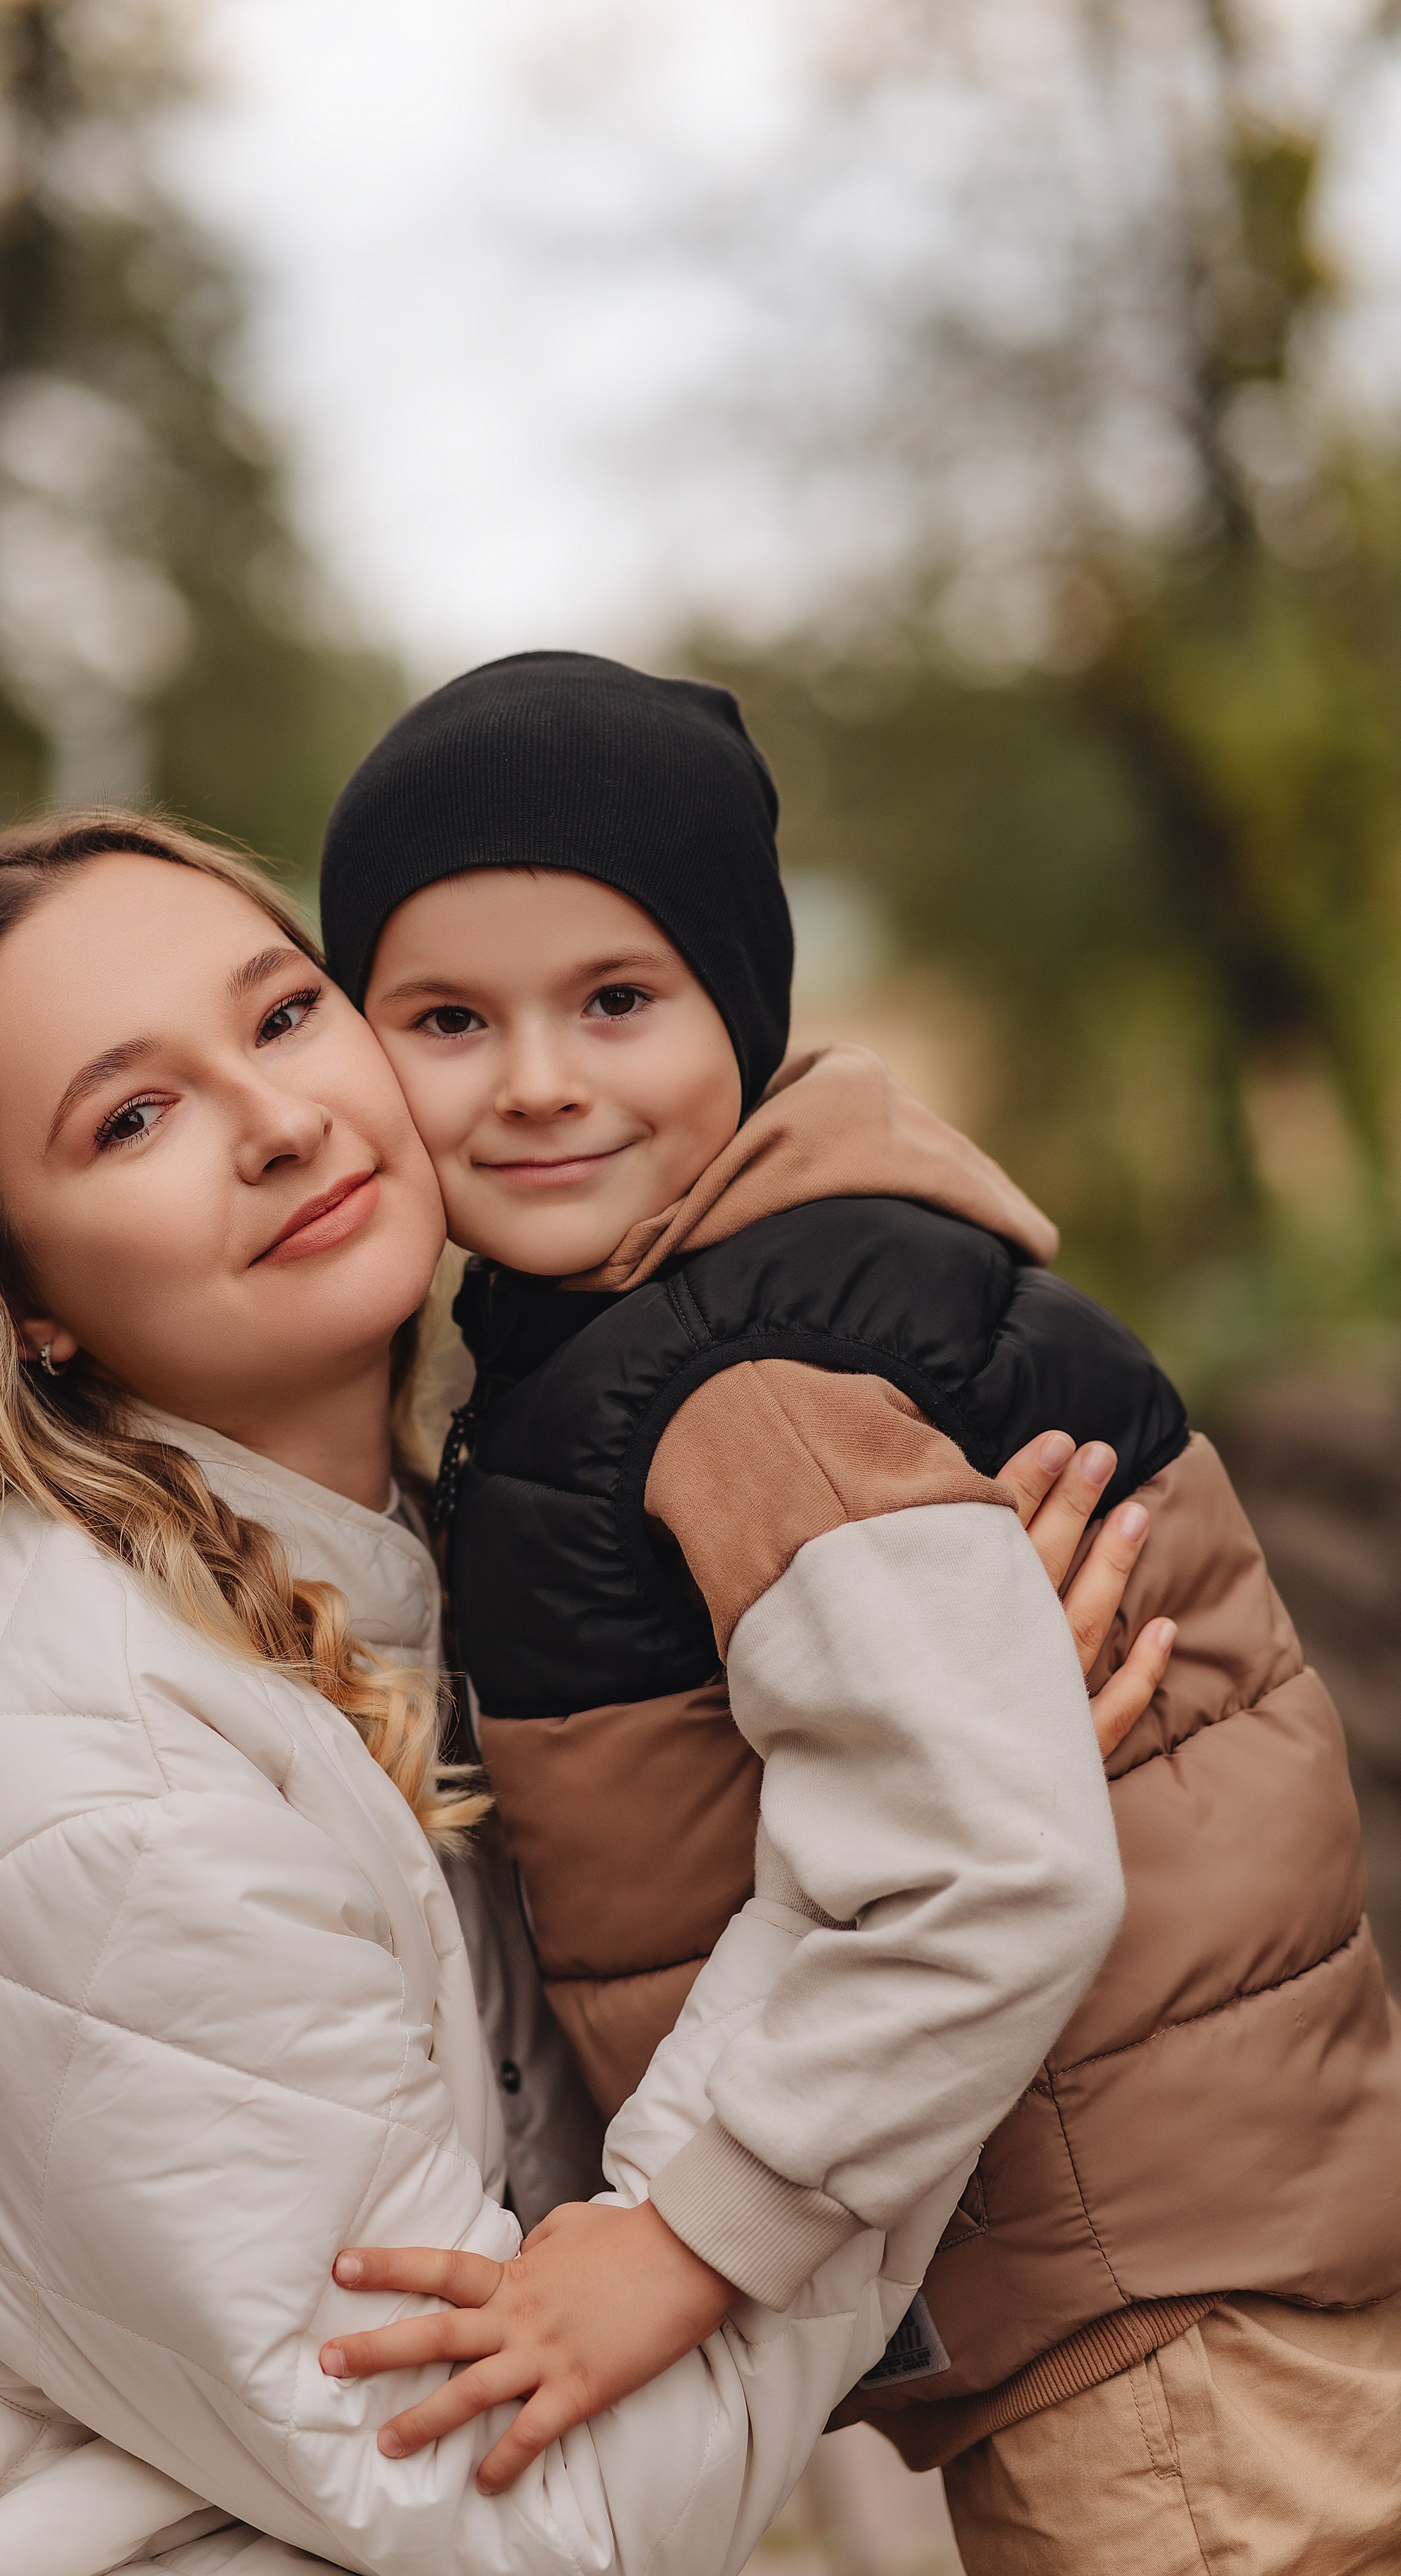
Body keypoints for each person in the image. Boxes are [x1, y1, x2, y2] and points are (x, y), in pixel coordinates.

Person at [0, 809, 1139, 2576]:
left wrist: (925, 1733)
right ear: (17, 1296)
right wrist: (940, 1862)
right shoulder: (95, 1793)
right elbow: (542, 2515)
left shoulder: (402, 1566)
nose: (280, 1120)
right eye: (133, 1117)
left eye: (285, 1015)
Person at [315, 651, 1401, 2576]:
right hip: (1150, 2263)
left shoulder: (748, 1382)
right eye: (450, 1018)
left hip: (1151, 2326)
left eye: (619, 999)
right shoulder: (645, 1335)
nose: (541, 1077)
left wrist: (683, 2239)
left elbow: (988, 1867)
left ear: (740, 1005)